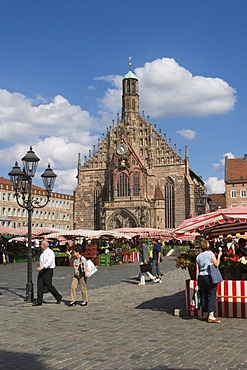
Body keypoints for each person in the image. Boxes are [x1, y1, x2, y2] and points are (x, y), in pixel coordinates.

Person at [196, 239, 222, 323]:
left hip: (201, 277)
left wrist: (197, 281)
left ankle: (204, 313)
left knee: (203, 295)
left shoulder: (198, 256)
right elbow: (216, 264)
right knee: (211, 295)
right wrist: (219, 256)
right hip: (209, 276)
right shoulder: (210, 254)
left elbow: (197, 270)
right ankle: (211, 315)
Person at [33, 239, 62, 306]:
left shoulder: (50, 252)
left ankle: (58, 296)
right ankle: (39, 300)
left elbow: (49, 262)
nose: (40, 246)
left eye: (41, 244)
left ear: (44, 245)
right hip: (42, 270)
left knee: (49, 285)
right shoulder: (43, 252)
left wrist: (42, 267)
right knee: (39, 285)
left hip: (48, 270)